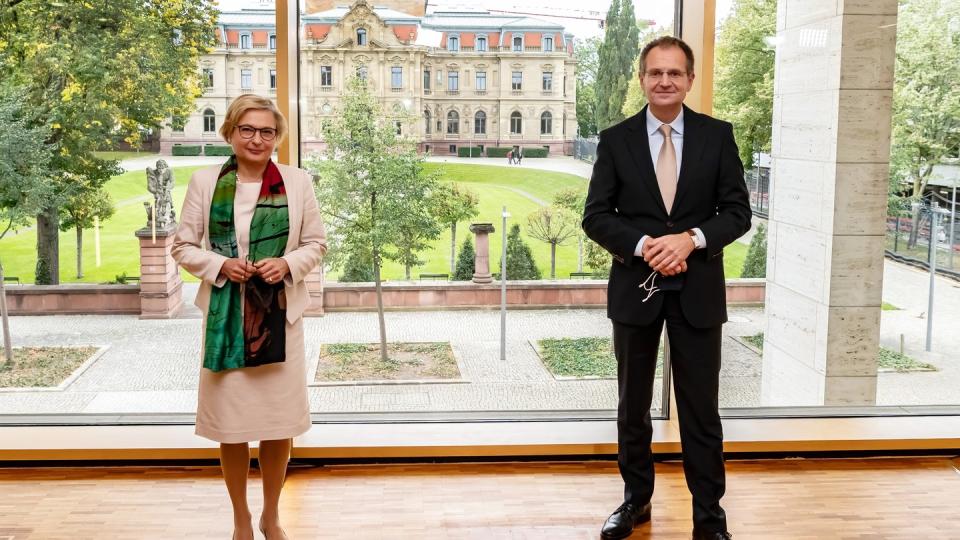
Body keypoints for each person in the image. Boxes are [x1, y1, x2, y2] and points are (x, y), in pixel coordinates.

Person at [582, 37, 751, 540]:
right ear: (642, 78)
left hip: (698, 291)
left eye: (674, 73)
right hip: (637, 287)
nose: (665, 81)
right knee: (632, 406)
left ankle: (709, 516)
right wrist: (644, 245)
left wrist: (690, 240)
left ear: (690, 80)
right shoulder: (616, 140)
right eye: (655, 72)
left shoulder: (718, 137)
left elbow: (738, 212)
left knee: (701, 408)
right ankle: (635, 502)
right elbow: (595, 216)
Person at [172, 94, 327, 540]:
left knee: (279, 427)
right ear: (230, 133)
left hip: (280, 321)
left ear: (277, 138)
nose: (257, 139)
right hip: (226, 323)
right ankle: (241, 517)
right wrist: (221, 266)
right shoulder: (204, 182)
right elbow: (183, 246)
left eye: (267, 131)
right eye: (247, 130)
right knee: (233, 428)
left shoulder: (298, 182)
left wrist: (288, 264)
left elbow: (316, 243)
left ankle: (271, 514)